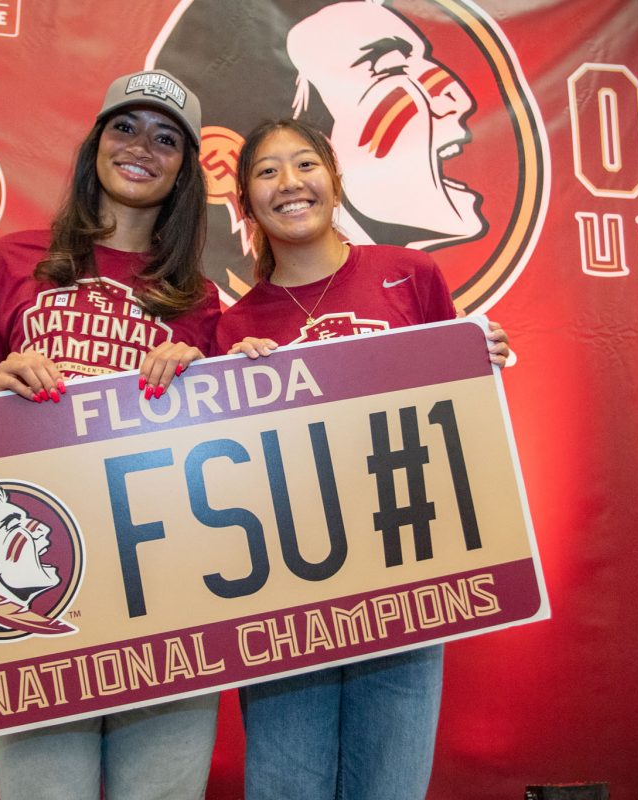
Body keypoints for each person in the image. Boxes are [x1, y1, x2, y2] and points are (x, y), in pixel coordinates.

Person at [216, 118, 510, 800]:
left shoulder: (410, 274)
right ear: (246, 204)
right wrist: (223, 389)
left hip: (409, 577)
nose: (289, 183)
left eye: (304, 165)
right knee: (286, 786)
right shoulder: (233, 327)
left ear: (334, 179)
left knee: (391, 787)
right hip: (287, 599)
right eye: (266, 172)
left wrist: (478, 357)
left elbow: (456, 416)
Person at [0, 69, 220, 800]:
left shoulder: (200, 299)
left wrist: (200, 376)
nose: (143, 148)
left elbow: (228, 452)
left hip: (166, 591)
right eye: (125, 127)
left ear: (185, 171)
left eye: (167, 139)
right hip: (38, 586)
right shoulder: (16, 258)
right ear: (96, 144)